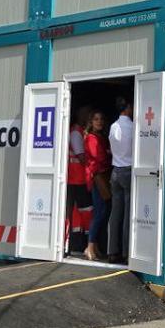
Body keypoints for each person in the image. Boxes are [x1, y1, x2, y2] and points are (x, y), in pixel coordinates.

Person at [107, 95, 134, 264]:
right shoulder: (133, 127)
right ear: (129, 107)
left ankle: (112, 251)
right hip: (128, 171)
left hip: (115, 171)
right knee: (127, 215)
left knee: (115, 213)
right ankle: (125, 252)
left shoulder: (113, 126)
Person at [83, 110, 112, 261]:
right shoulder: (91, 138)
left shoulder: (101, 137)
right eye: (95, 119)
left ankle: (95, 246)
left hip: (103, 176)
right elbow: (98, 157)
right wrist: (109, 154)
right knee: (100, 212)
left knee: (104, 211)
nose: (99, 122)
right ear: (91, 122)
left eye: (101, 119)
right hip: (98, 178)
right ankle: (89, 246)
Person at [65, 105, 92, 255]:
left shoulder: (79, 132)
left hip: (78, 179)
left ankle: (78, 243)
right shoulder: (76, 133)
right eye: (86, 114)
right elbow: (82, 157)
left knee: (82, 211)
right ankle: (77, 243)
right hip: (77, 179)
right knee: (85, 210)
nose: (87, 117)